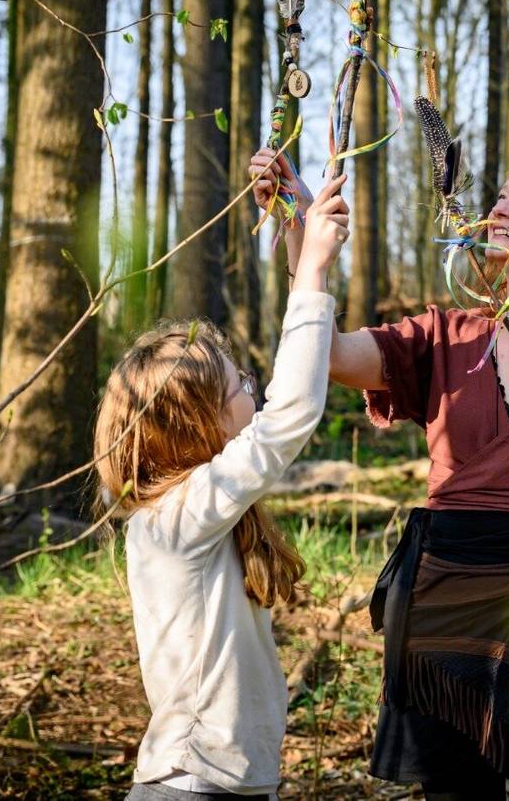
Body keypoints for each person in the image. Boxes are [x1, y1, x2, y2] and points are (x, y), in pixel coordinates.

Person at [248, 147, 509, 801]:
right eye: (499, 194)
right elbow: (332, 355)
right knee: (456, 790)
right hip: (445, 586)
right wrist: (299, 229)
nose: (498, 207)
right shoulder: (446, 335)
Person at [94, 174, 350, 800]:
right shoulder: (175, 519)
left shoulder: (189, 509)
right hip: (191, 785)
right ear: (193, 425)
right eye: (237, 384)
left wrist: (296, 233)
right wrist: (313, 273)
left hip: (220, 781)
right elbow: (289, 415)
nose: (252, 385)